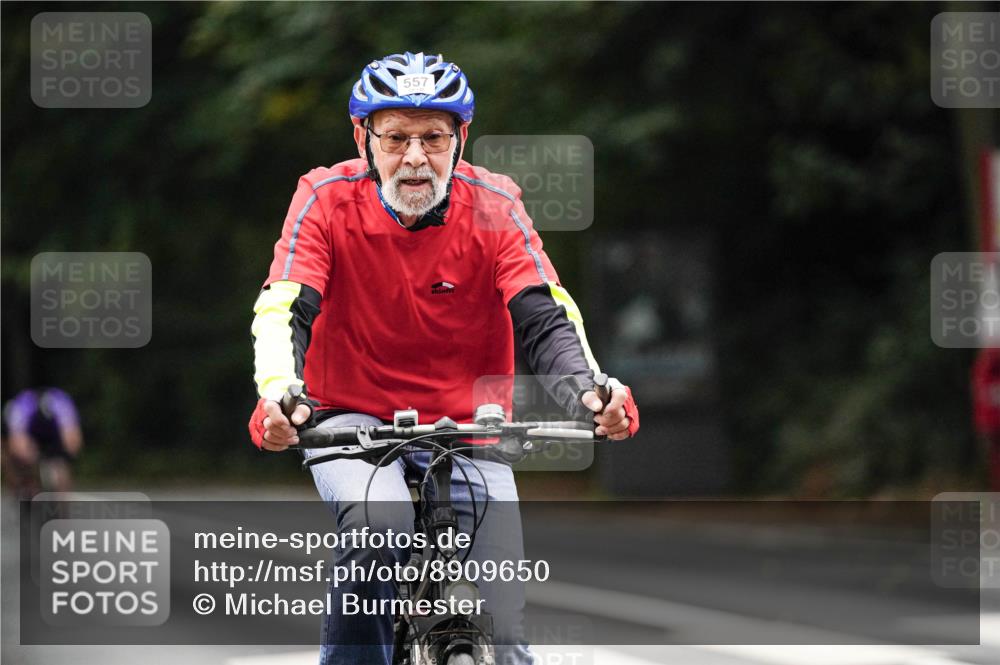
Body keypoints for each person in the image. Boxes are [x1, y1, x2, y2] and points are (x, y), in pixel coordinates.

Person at [248, 51, 639, 665]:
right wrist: (279, 393)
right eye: (396, 137)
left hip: (472, 428)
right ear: (363, 138)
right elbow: (284, 305)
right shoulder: (323, 199)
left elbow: (543, 311)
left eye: (433, 138)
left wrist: (589, 391)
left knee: (504, 630)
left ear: (461, 139)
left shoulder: (496, 206)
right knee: (380, 528)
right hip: (351, 422)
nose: (413, 157)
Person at [2, 387, 83, 498]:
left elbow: (73, 438)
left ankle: (61, 507)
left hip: (54, 436)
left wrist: (65, 457)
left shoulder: (61, 403)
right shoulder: (21, 406)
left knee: (61, 471)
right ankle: (25, 488)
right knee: (16, 461)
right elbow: (17, 442)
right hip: (27, 435)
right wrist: (29, 459)